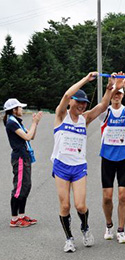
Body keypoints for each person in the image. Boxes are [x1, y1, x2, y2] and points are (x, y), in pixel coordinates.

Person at [51, 72, 115, 252]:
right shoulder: (60, 116)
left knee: (80, 205)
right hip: (61, 166)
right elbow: (66, 95)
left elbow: (103, 106)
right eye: (78, 102)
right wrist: (86, 80)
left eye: (84, 103)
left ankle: (85, 228)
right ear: (71, 102)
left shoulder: (84, 119)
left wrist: (110, 88)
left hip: (79, 167)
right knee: (65, 205)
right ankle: (69, 238)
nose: (81, 105)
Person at [99, 73, 125, 244]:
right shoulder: (104, 112)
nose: (116, 96)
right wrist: (113, 86)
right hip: (107, 158)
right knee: (107, 197)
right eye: (114, 94)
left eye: (119, 94)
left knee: (123, 196)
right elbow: (102, 103)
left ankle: (121, 230)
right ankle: (109, 225)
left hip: (124, 158)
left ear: (122, 96)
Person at [3, 98, 42, 228]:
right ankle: (14, 219)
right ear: (14, 110)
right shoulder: (11, 123)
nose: (22, 110)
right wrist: (34, 123)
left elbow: (32, 136)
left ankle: (22, 215)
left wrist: (35, 123)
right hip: (19, 157)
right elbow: (27, 137)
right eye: (20, 108)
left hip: (24, 156)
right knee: (19, 188)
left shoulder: (17, 122)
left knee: (26, 186)